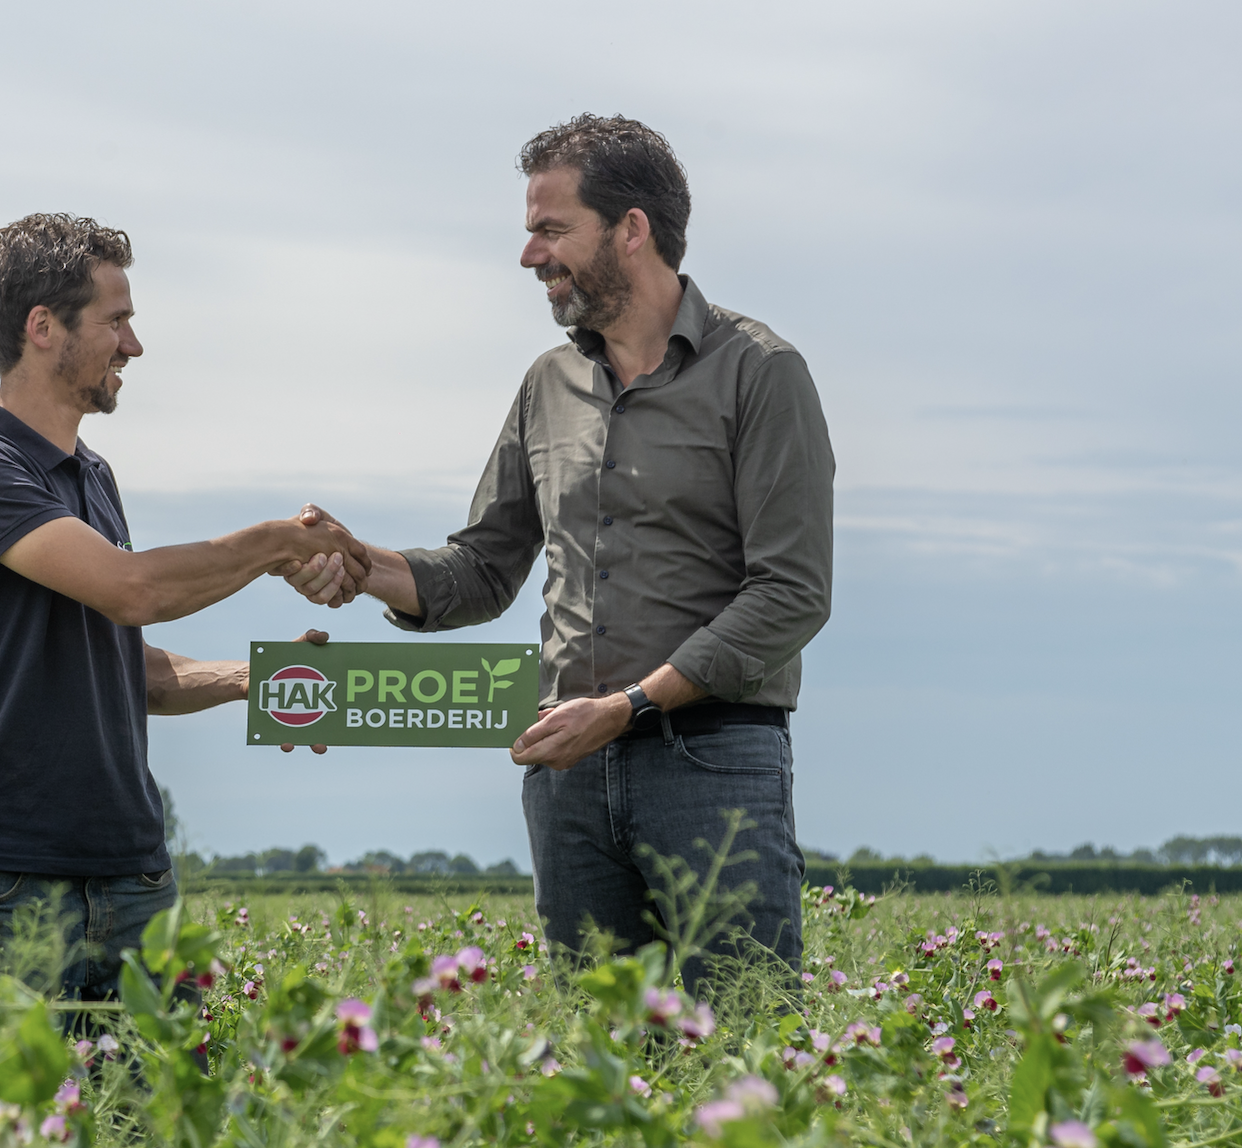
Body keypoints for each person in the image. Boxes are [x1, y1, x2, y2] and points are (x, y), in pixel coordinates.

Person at [288, 116, 834, 989]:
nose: (530, 256)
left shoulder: (760, 373)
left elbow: (791, 593)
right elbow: (484, 566)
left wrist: (628, 706)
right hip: (568, 773)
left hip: (713, 764)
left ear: (631, 228)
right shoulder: (549, 383)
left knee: (745, 1050)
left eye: (550, 229)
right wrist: (363, 567)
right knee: (600, 1075)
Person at [0, 212, 364, 995]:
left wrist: (258, 682)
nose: (133, 344)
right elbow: (134, 591)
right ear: (43, 327)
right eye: (116, 320)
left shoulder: (94, 478)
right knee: (3, 1122)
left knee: (154, 1120)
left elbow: (128, 671)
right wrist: (278, 543)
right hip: (3, 885)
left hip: (133, 880)